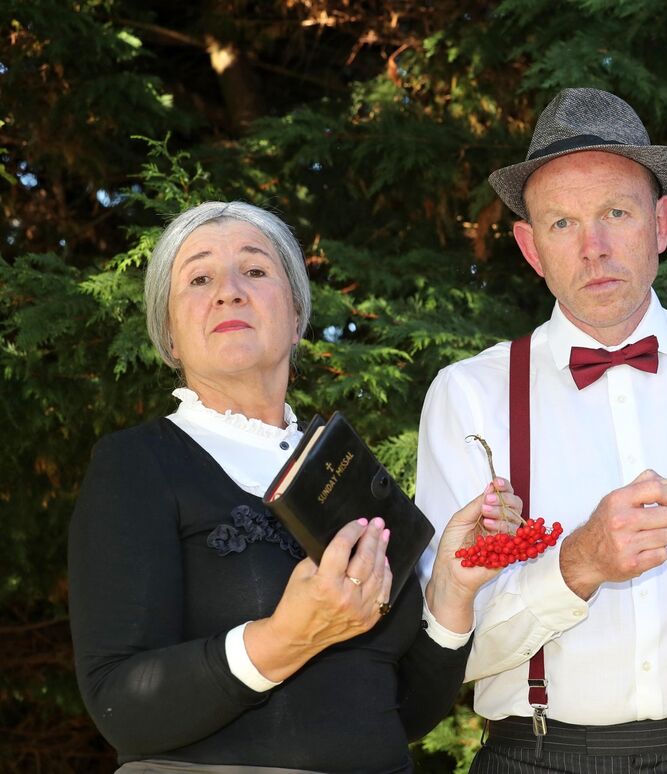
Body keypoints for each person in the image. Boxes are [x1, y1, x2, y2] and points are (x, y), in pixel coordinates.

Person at [415, 87, 667, 773]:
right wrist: (575, 565)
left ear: (661, 223)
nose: (595, 248)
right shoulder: (470, 397)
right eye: (563, 224)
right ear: (530, 246)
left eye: (616, 213)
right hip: (535, 759)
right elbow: (445, 651)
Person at [69, 201, 521, 772]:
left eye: (255, 271)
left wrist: (453, 589)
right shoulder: (135, 465)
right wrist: (288, 637)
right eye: (200, 278)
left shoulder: (343, 467)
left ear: (296, 314)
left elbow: (399, 710)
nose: (229, 291)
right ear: (170, 337)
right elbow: (120, 705)